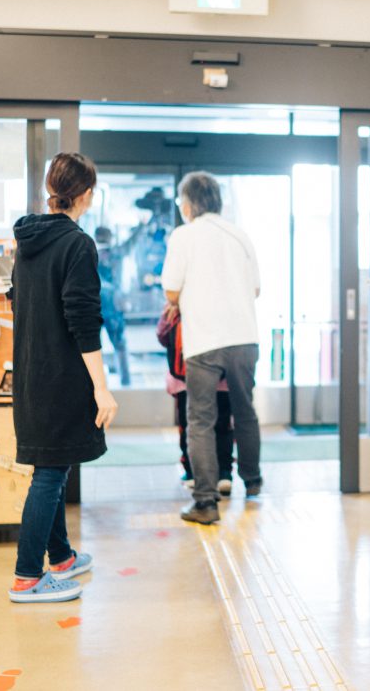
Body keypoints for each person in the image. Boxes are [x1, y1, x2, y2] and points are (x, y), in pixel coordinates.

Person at [8, 152, 118, 603]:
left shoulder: (27, 241)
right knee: (50, 473)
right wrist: (102, 387)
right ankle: (27, 576)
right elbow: (83, 321)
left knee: (50, 463)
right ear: (86, 194)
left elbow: (18, 301)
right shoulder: (78, 244)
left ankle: (63, 558)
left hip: (31, 374)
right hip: (61, 377)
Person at [161, 171, 263, 525]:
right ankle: (252, 482)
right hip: (245, 339)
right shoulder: (241, 235)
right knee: (245, 411)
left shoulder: (184, 235)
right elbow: (255, 290)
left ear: (188, 203)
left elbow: (171, 291)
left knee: (200, 419)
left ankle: (205, 502)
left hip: (204, 341)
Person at [155, 302, 236, 493]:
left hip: (186, 377)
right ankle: (224, 473)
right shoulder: (223, 301)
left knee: (191, 424)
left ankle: (192, 472)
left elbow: (162, 335)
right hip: (221, 377)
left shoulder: (178, 302)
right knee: (222, 424)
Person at [94, 226, 132, 387]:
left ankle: (97, 384)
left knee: (94, 347)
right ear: (109, 237)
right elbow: (131, 243)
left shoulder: (89, 254)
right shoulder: (116, 253)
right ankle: (126, 382)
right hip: (114, 307)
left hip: (95, 305)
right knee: (120, 345)